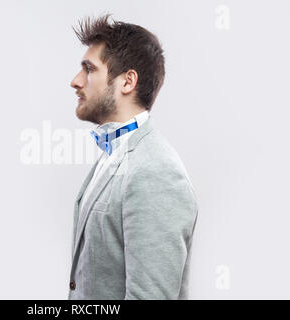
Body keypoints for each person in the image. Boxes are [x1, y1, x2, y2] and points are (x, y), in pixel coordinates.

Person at [68, 14, 199, 300]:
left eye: (89, 69)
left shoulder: (155, 171)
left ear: (127, 81)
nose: (75, 81)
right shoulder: (114, 156)